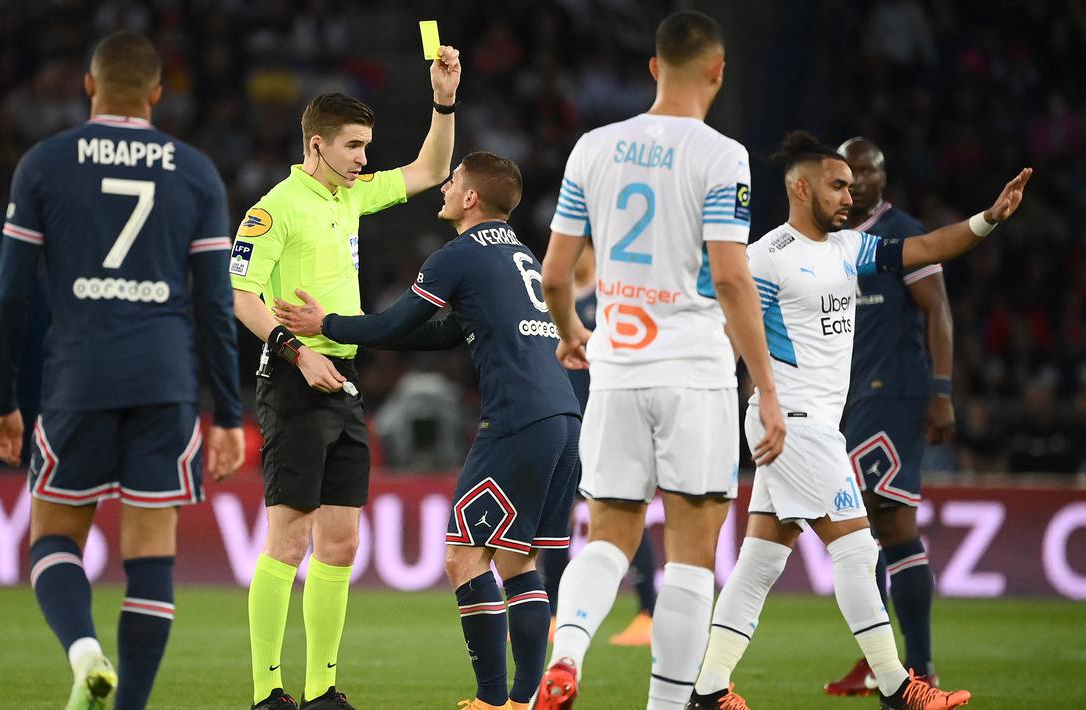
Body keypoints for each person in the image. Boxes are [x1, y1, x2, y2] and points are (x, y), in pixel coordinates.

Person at [687, 131, 1029, 710]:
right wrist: (750, 401)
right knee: (856, 550)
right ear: (801, 187)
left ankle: (708, 690)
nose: (851, 196)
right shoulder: (766, 258)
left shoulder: (848, 250)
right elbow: (728, 330)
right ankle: (899, 689)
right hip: (791, 423)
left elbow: (926, 249)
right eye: (837, 185)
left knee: (760, 563)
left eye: (851, 185)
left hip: (809, 424)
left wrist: (989, 218)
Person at [0, 32, 245, 710]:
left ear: (88, 85)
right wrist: (229, 412)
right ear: (158, 94)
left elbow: (10, 294)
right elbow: (216, 303)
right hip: (164, 378)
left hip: (79, 376)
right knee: (151, 555)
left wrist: (1, 399)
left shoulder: (44, 163)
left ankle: (83, 653)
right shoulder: (194, 172)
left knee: (53, 537)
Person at [536, 11, 787, 709]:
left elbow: (557, 275)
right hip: (693, 372)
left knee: (608, 536)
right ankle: (666, 705)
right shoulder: (721, 155)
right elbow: (732, 279)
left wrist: (569, 333)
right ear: (716, 70)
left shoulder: (592, 147)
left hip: (615, 367)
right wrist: (764, 387)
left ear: (653, 67)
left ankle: (567, 654)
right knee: (691, 551)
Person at [274, 151, 580, 710]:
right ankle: (524, 700)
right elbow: (444, 335)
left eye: (454, 179)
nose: (444, 184)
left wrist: (330, 326)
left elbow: (397, 322)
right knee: (519, 561)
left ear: (470, 198)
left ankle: (492, 700)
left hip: (514, 419)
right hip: (561, 417)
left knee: (464, 558)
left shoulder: (459, 255)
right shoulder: (520, 255)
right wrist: (362, 332)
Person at [228, 47, 462, 710]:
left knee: (341, 539)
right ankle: (267, 690)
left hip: (345, 376)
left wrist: (442, 98)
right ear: (317, 144)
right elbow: (240, 295)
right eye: (354, 146)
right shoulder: (274, 210)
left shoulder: (349, 195)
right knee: (290, 535)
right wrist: (297, 350)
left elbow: (431, 168)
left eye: (366, 147)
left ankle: (321, 687)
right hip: (294, 374)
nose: (364, 158)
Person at [823, 137, 955, 695]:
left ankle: (919, 667)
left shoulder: (903, 232)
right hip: (847, 396)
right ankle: (882, 663)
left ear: (882, 176)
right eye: (848, 174)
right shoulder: (833, 237)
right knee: (863, 528)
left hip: (893, 391)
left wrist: (942, 391)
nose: (857, 181)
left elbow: (938, 311)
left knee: (890, 521)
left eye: (867, 171)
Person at [539, 244, 658, 648]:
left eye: (578, 246)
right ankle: (553, 614)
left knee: (620, 514)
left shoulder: (610, 295)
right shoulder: (554, 303)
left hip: (607, 426)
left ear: (592, 247)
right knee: (556, 521)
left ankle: (649, 612)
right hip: (566, 428)